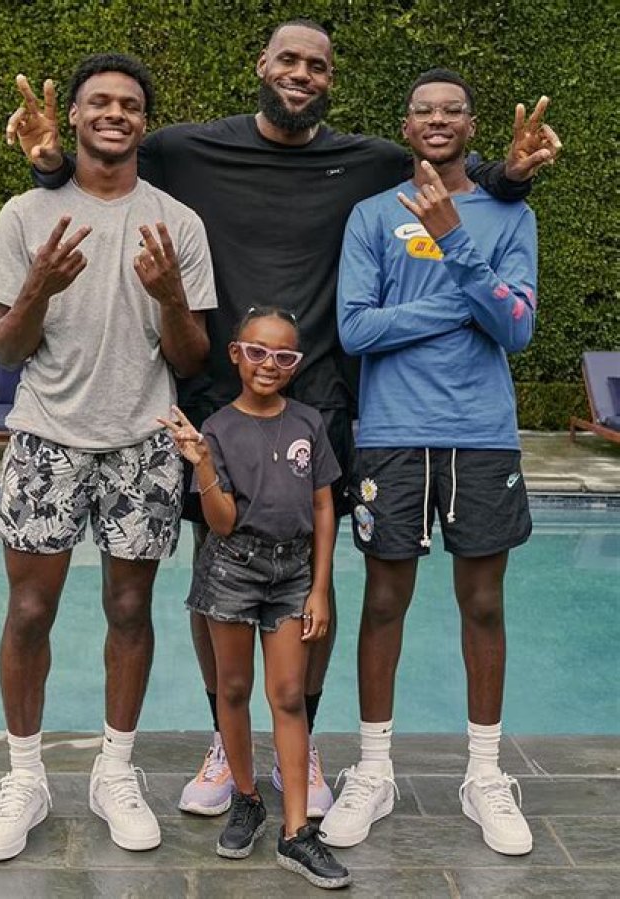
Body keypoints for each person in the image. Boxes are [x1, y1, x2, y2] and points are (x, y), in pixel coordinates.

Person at [5, 18, 561, 817]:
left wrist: (506, 175)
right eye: (289, 60)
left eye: (317, 65)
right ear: (261, 64)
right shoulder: (187, 149)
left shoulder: (369, 160)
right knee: (218, 571)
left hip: (321, 395)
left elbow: (445, 171)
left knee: (311, 576)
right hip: (218, 395)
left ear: (331, 79)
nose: (302, 74)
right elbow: (105, 159)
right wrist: (51, 162)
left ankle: (304, 731)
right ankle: (222, 737)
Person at [0, 52, 216, 861]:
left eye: (130, 104)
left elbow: (191, 358)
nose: (115, 113)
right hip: (46, 435)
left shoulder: (177, 223)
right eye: (100, 102)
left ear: (145, 122)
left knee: (129, 609)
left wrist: (171, 296)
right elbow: (6, 348)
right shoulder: (23, 215)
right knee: (28, 612)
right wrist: (38, 287)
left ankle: (115, 770)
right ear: (73, 116)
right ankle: (25, 777)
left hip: (142, 441)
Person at [323, 68, 538, 856]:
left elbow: (517, 330)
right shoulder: (371, 214)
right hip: (392, 431)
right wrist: (464, 303)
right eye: (424, 110)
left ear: (471, 127)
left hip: (481, 433)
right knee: (385, 600)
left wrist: (454, 239)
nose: (438, 119)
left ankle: (484, 774)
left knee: (482, 602)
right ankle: (373, 769)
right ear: (406, 127)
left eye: (453, 110)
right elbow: (356, 329)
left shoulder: (511, 214)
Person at [160, 306, 350, 890]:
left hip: (293, 573)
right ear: (236, 354)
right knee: (234, 689)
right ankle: (246, 798)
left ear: (296, 364)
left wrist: (320, 588)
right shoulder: (217, 429)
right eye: (258, 351)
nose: (269, 364)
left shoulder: (309, 423)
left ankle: (297, 831)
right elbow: (220, 522)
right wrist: (204, 464)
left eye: (283, 356)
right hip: (231, 570)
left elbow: (323, 507)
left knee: (288, 694)